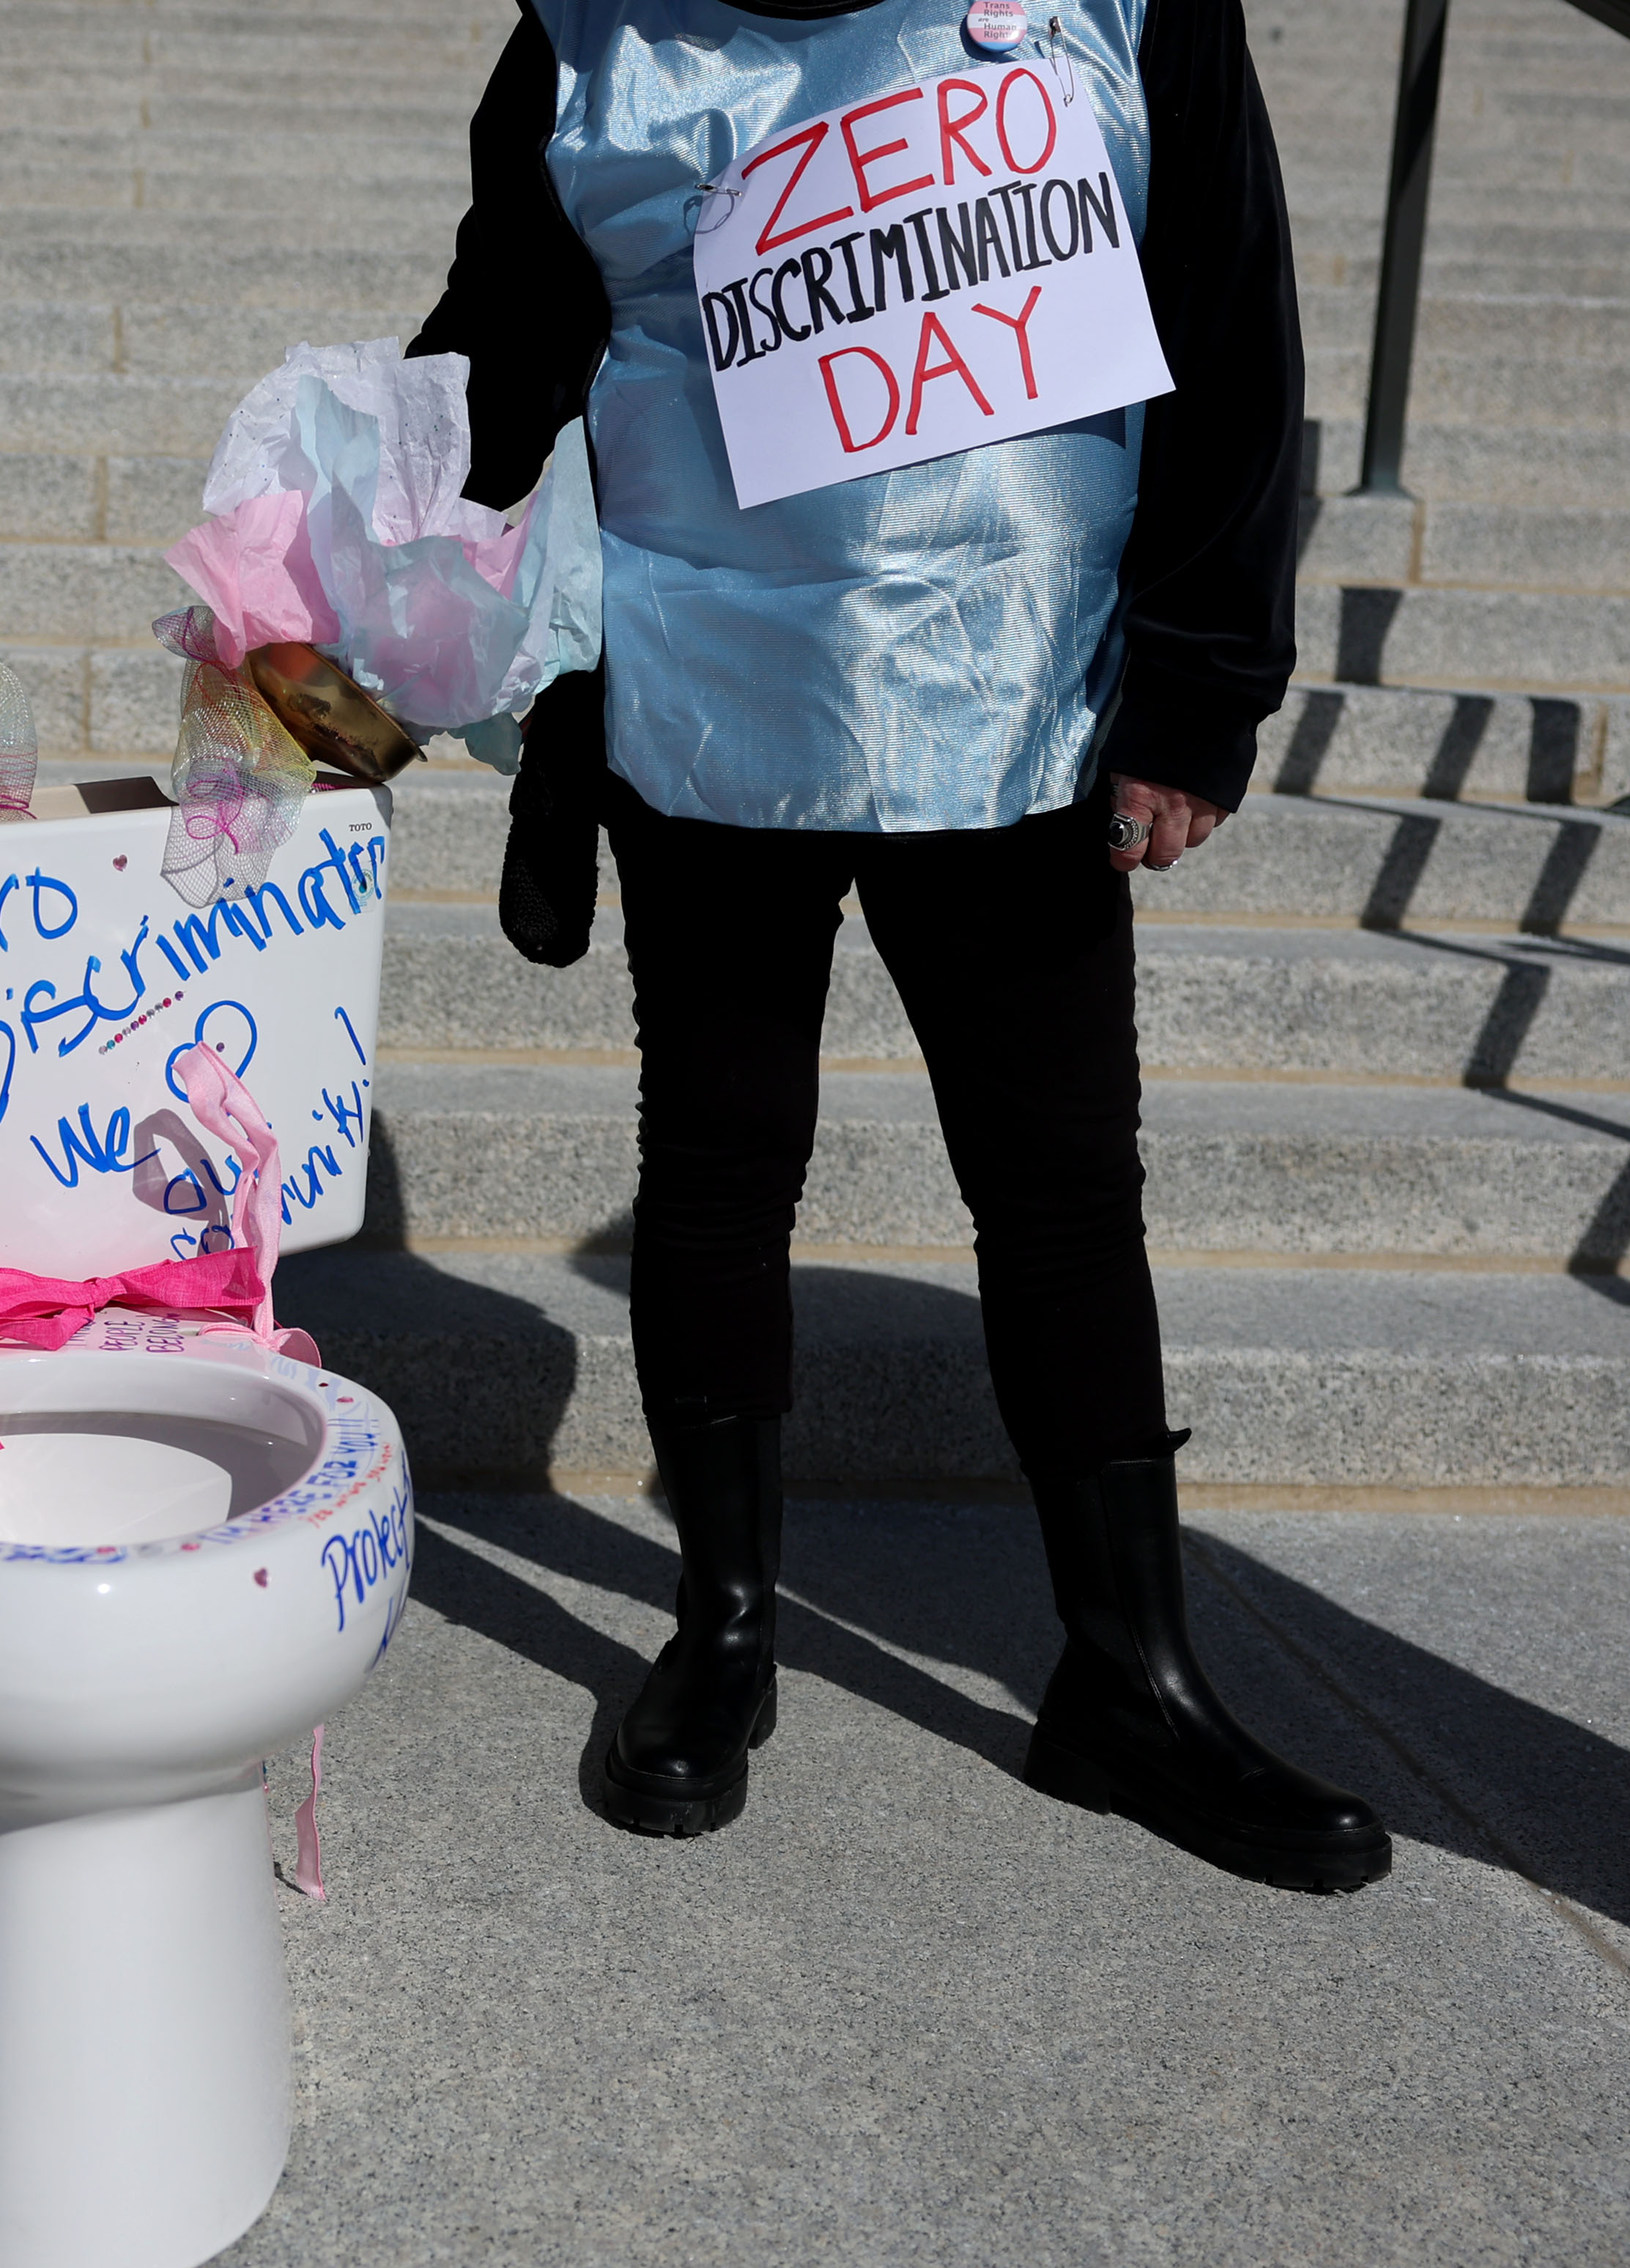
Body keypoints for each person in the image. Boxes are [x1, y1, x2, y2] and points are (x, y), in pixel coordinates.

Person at [412, 0, 1390, 1891]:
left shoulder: (1125, 6)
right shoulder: (595, 34)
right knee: (713, 1168)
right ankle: (722, 1632)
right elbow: (506, 335)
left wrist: (1201, 698)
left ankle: (1131, 1675)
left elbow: (1227, 323)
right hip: (700, 690)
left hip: (1015, 687)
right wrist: (361, 577)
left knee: (1056, 1196)